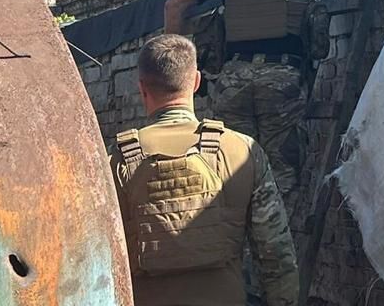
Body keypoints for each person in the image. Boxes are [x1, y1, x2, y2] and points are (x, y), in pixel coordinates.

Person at [163, 0, 374, 205]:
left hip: (231, 83)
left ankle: (235, 250)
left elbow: (174, 5)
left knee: (228, 184)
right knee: (281, 186)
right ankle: (279, 250)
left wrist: (183, 78)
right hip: (284, 83)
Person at [110, 34, 298, 306]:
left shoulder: (114, 162)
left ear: (142, 89)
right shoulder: (243, 151)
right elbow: (275, 254)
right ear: (196, 81)